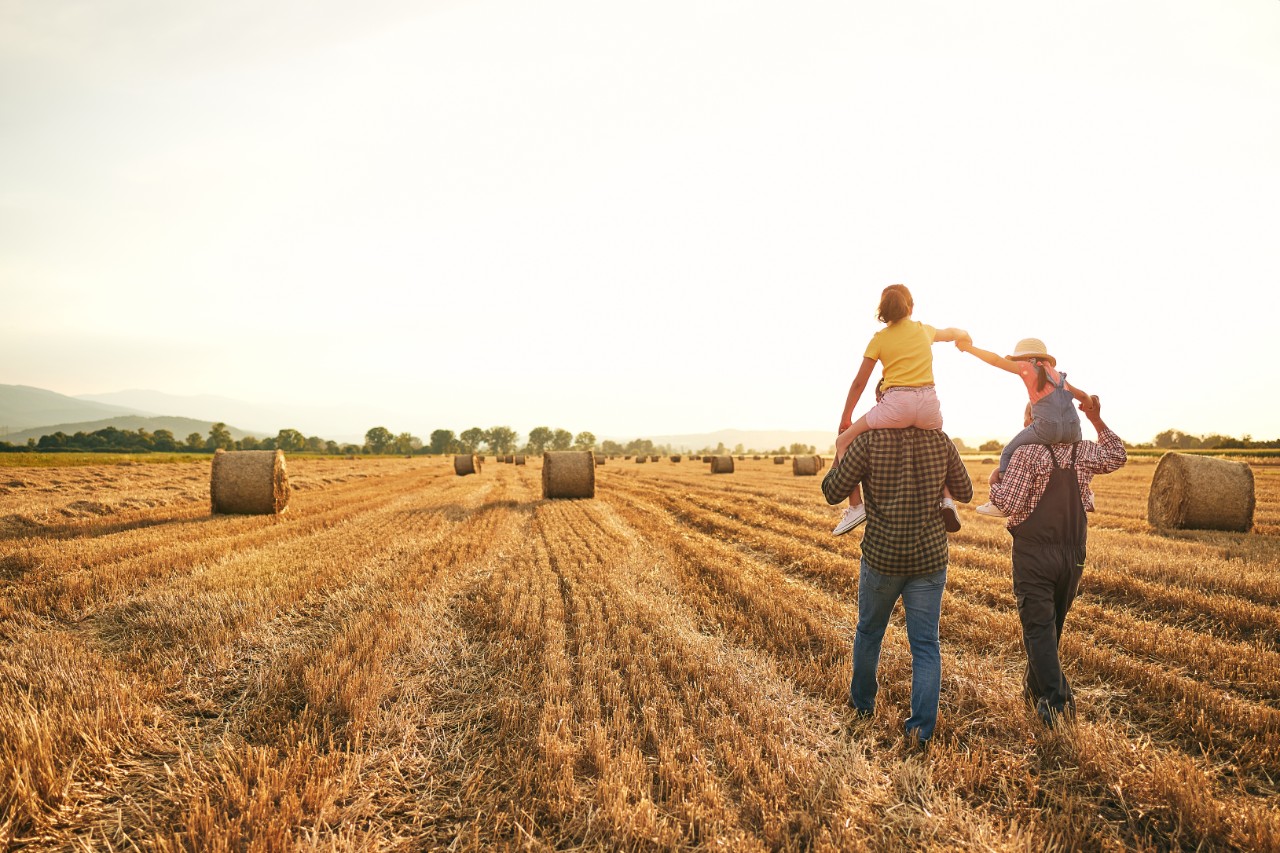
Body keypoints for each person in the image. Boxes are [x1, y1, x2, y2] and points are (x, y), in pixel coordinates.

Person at [822, 420, 973, 747]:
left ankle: (862, 708)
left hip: (882, 559)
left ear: (882, 404)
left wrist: (840, 448)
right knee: (925, 645)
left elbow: (832, 491)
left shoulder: (867, 442)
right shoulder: (940, 440)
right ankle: (921, 731)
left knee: (869, 633)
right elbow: (966, 492)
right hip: (929, 559)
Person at [987, 394, 1126, 727]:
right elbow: (1118, 455)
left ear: (1032, 424)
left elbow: (1008, 504)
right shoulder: (1085, 451)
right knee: (1051, 629)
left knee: (1038, 629)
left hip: (1034, 552)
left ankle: (1058, 703)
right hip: (1074, 552)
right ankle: (1033, 693)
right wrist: (1096, 418)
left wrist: (994, 483)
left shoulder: (1026, 452)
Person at [832, 284, 970, 535]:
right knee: (940, 442)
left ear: (884, 311)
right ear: (911, 307)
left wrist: (846, 417)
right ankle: (947, 499)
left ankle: (855, 507)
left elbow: (859, 383)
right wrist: (964, 335)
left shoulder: (879, 339)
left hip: (896, 405)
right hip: (929, 404)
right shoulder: (923, 330)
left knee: (843, 441)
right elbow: (952, 332)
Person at [956, 336, 1092, 518]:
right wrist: (1090, 404)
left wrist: (969, 349)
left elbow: (996, 360)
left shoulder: (1027, 366)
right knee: (1075, 458)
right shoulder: (1058, 376)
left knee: (1008, 452)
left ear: (1028, 358)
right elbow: (1083, 395)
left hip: (1047, 427)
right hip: (1073, 429)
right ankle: (1087, 494)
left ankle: (1002, 501)